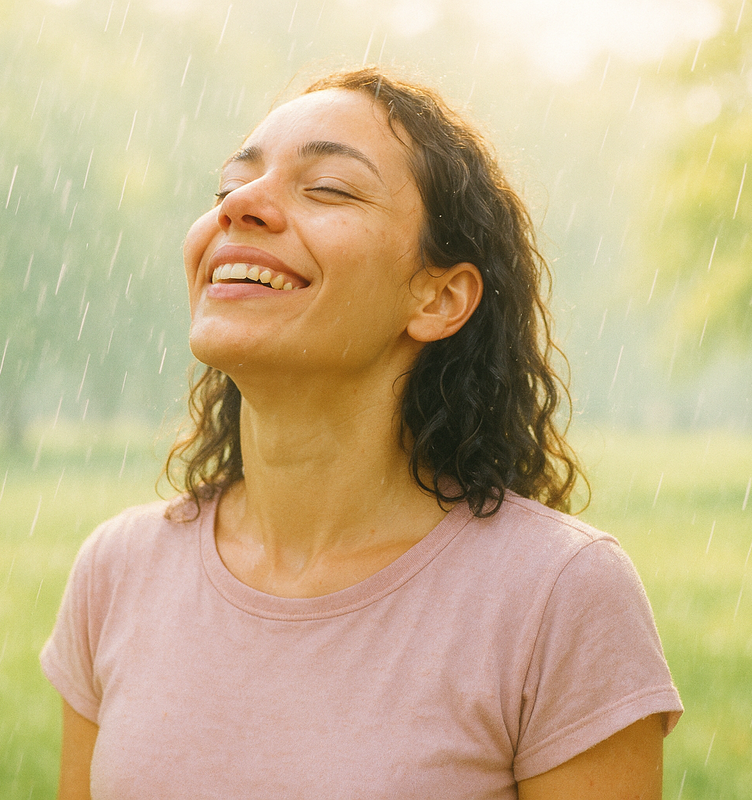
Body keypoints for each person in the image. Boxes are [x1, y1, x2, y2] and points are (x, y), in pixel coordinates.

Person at [41, 66, 682, 799]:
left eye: (328, 189)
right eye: (228, 185)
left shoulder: (560, 595)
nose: (240, 205)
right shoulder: (118, 571)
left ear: (439, 297)